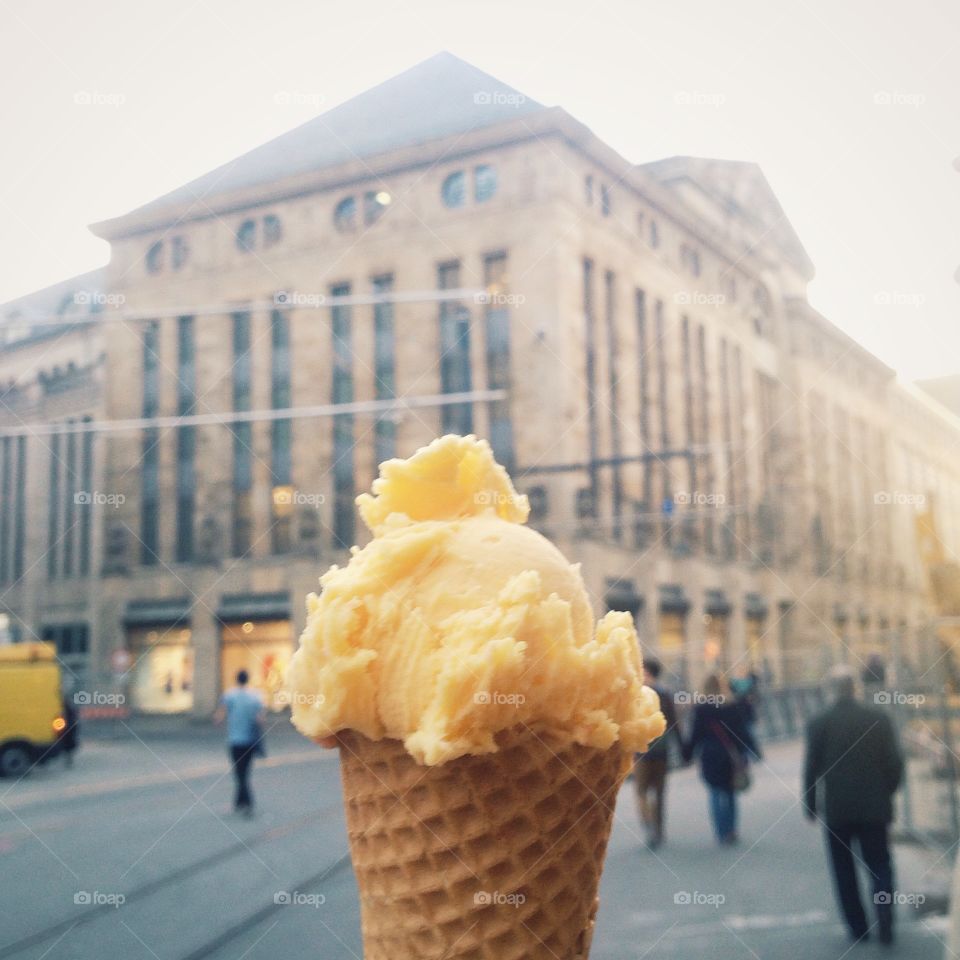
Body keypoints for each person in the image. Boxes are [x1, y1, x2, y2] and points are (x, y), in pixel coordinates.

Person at [803, 665, 903, 946]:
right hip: (875, 807)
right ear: (855, 689)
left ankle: (858, 927)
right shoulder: (879, 719)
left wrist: (810, 804)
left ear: (831, 691)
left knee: (843, 869)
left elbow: (811, 768)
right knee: (880, 865)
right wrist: (886, 791)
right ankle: (885, 917)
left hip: (838, 809)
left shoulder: (819, 722)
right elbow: (895, 763)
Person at [682, 673, 760, 845]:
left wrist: (686, 754)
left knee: (715, 792)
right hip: (731, 756)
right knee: (730, 791)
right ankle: (731, 829)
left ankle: (721, 831)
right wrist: (752, 751)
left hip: (710, 755)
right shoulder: (733, 706)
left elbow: (695, 734)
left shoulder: (701, 709)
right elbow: (742, 732)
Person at [634, 658, 681, 848]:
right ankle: (658, 829)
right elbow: (674, 723)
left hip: (643, 751)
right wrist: (682, 747)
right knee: (659, 792)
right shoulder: (665, 694)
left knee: (641, 791)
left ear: (647, 673)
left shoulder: (638, 694)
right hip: (662, 750)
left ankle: (649, 824)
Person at [214, 670, 266, 817]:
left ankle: (247, 802)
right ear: (248, 679)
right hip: (250, 740)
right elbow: (261, 719)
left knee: (239, 772)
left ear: (236, 679)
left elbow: (220, 716)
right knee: (245, 771)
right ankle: (239, 802)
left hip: (235, 740)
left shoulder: (229, 695)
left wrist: (219, 720)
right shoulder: (256, 696)